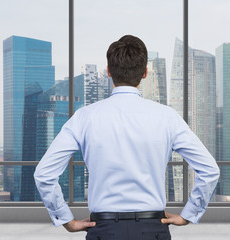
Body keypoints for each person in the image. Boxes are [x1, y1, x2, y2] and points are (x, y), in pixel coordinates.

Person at [34, 35, 220, 240]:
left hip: (103, 230)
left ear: (108, 71)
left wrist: (66, 220)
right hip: (153, 230)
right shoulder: (167, 116)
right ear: (145, 73)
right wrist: (189, 214)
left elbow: (44, 174)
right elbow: (209, 170)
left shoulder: (85, 117)